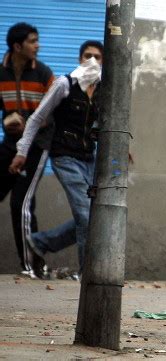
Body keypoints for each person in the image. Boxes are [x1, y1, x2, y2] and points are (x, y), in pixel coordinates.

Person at [9, 40, 104, 277]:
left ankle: (40, 242)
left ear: (104, 62)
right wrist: (22, 151)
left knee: (93, 218)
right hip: (64, 157)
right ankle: (88, 276)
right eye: (87, 56)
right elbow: (36, 118)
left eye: (97, 57)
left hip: (88, 158)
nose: (91, 61)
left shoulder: (104, 88)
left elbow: (104, 124)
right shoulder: (64, 84)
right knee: (85, 216)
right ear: (79, 59)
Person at [0, 22, 54, 278]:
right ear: (17, 46)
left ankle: (32, 265)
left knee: (21, 203)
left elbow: (52, 113)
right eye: (33, 41)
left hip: (37, 146)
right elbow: (5, 110)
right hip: (10, 144)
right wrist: (8, 121)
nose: (38, 45)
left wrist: (33, 120)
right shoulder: (2, 73)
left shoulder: (43, 73)